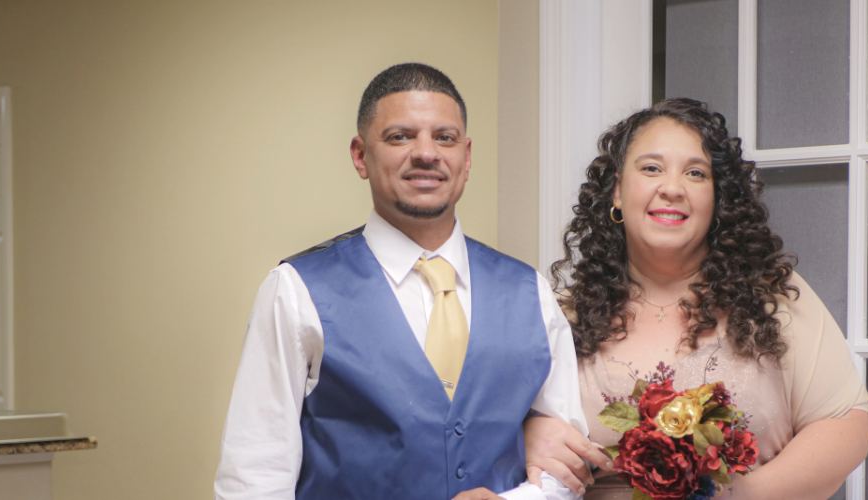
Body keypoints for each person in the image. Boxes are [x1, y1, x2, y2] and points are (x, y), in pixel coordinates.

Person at [214, 63, 589, 500]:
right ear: (360, 156)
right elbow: (254, 476)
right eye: (400, 136)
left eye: (444, 138)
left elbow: (566, 465)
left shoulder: (530, 292)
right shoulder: (295, 290)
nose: (426, 153)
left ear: (466, 158)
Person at [523, 99, 868, 499]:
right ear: (617, 192)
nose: (672, 188)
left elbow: (845, 423)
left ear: (717, 200)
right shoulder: (561, 317)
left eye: (695, 173)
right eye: (651, 168)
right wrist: (529, 435)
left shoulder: (771, 298)